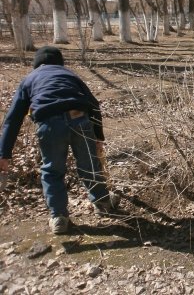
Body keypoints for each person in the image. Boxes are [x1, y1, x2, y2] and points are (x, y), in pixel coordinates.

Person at [0, 46, 119, 234]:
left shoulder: (29, 79)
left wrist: (4, 153)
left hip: (49, 124)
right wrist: (98, 137)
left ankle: (59, 217)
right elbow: (94, 104)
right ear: (60, 62)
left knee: (52, 170)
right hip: (80, 118)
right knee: (89, 165)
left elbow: (12, 118)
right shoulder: (69, 74)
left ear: (36, 64)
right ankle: (102, 202)